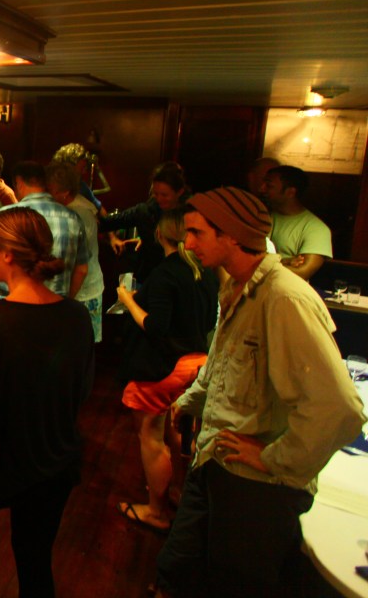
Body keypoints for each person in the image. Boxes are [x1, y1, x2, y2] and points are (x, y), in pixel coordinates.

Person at [156, 187, 364, 598]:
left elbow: (340, 409)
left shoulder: (284, 297)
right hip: (215, 460)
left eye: (197, 233)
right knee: (177, 569)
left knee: (235, 583)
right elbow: (224, 361)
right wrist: (188, 401)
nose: (188, 243)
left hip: (256, 488)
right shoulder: (237, 285)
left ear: (233, 235)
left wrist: (272, 457)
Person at [0, 208, 95, 598]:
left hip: (0, 466)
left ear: (8, 254)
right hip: (56, 463)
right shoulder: (77, 316)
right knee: (35, 562)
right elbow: (82, 391)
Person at [113, 208, 218, 532]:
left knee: (151, 436)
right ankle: (177, 492)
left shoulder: (165, 274)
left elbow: (156, 327)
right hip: (195, 362)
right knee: (177, 433)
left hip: (162, 367)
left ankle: (156, 512)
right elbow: (208, 321)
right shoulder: (205, 271)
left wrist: (127, 300)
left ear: (160, 235)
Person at [0, 161, 88, 300]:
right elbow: (82, 270)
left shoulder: (2, 217)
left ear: (19, 182)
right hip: (55, 305)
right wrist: (65, 302)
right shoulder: (73, 219)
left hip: (11, 305)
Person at [100, 161, 188, 286]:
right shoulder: (145, 211)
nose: (159, 199)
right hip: (148, 277)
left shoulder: (190, 215)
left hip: (179, 279)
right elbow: (109, 222)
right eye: (156, 194)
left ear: (179, 192)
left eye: (164, 195)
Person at [45, 161, 104, 342]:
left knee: (78, 346)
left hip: (83, 291)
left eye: (50, 191)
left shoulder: (77, 213)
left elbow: (81, 267)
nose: (47, 196)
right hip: (82, 288)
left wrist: (67, 300)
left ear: (64, 192)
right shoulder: (79, 206)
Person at [262, 165, 332, 281]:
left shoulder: (316, 229)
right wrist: (284, 262)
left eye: (269, 186)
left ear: (290, 192)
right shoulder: (260, 216)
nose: (262, 189)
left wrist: (259, 267)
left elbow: (303, 272)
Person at [52, 142, 108, 214]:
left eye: (85, 168)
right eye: (82, 168)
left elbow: (101, 210)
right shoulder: (49, 185)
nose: (84, 172)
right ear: (68, 167)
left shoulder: (82, 186)